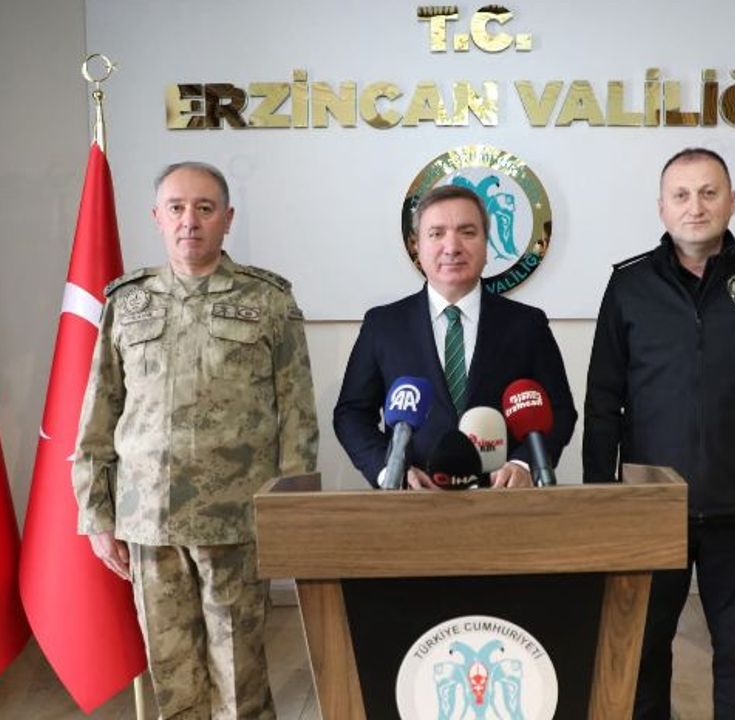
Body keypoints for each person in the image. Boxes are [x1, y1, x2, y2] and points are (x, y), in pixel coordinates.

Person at [72, 161, 318, 719]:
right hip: (149, 520)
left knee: (240, 677)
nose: (190, 221)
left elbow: (298, 418)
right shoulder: (127, 303)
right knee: (173, 677)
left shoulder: (268, 300)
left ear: (227, 219)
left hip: (236, 521)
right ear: (157, 217)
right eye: (177, 208)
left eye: (205, 209)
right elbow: (99, 411)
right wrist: (95, 512)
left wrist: (292, 518)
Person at [583, 148, 735, 719]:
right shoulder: (629, 286)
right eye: (682, 195)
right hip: (650, 508)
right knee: (644, 652)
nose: (696, 207)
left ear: (732, 202)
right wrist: (601, 498)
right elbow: (602, 402)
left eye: (709, 193)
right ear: (662, 207)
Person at [333, 184, 576, 490]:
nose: (452, 247)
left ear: (486, 244)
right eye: (436, 234)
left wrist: (523, 464)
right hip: (414, 500)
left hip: (503, 500)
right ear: (416, 246)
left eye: (467, 232)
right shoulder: (383, 325)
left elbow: (559, 410)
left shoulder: (528, 325)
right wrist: (389, 471)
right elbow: (352, 414)